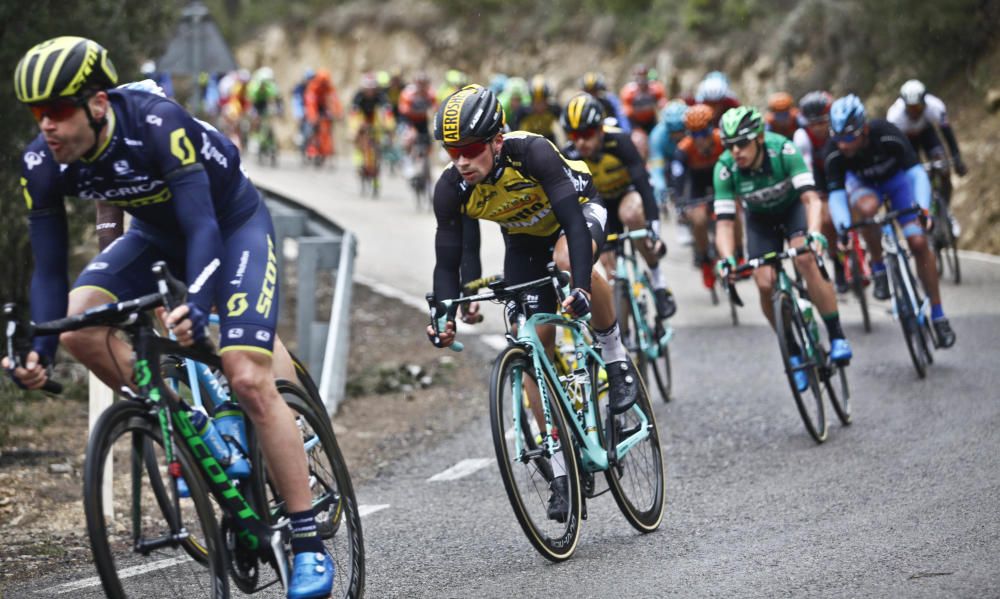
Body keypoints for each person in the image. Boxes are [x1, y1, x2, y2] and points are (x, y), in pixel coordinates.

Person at [6, 37, 333, 598]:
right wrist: (38, 348)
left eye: (58, 110)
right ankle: (187, 417)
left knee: (249, 378)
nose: (47, 127)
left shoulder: (157, 124)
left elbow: (203, 224)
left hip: (230, 227)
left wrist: (198, 305)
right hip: (156, 237)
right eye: (38, 115)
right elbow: (50, 269)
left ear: (99, 105)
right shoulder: (42, 162)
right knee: (80, 326)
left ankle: (306, 543)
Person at [427, 85, 640, 521]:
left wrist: (578, 287)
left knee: (566, 259)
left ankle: (615, 356)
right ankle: (561, 470)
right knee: (530, 345)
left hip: (579, 213)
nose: (461, 160)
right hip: (524, 239)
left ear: (496, 141)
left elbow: (573, 228)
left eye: (470, 148)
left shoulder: (534, 153)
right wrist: (445, 312)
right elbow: (450, 257)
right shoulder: (453, 188)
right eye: (453, 151)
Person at [713, 107, 852, 390]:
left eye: (742, 143)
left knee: (805, 258)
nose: (735, 151)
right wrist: (726, 259)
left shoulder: (783, 150)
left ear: (760, 138)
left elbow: (812, 200)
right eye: (729, 145)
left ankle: (837, 335)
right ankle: (792, 350)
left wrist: (814, 235)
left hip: (792, 211)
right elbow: (725, 224)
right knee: (763, 281)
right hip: (760, 221)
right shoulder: (725, 168)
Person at [825, 94, 956, 347]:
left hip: (898, 183)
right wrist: (843, 229)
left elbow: (917, 174)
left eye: (849, 137)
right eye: (838, 138)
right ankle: (878, 267)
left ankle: (938, 315)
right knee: (867, 210)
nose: (843, 145)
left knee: (918, 242)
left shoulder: (887, 133)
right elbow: (837, 195)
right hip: (863, 186)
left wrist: (924, 210)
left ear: (863, 128)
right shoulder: (834, 152)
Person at [561, 93, 676, 318]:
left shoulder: (620, 142)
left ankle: (658, 282)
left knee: (632, 215)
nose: (580, 142)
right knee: (608, 268)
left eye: (586, 134)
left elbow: (643, 184)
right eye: (574, 135)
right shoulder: (569, 154)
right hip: (601, 208)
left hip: (626, 195)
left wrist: (653, 225)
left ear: (600, 130)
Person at [886, 79, 967, 235]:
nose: (915, 111)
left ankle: (946, 211)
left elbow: (947, 134)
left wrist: (957, 158)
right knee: (914, 173)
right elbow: (894, 149)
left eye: (918, 107)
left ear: (925, 101)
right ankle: (923, 209)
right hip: (907, 142)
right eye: (910, 108)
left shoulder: (935, 106)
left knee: (943, 168)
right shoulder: (894, 116)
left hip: (927, 135)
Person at [793, 90, 845, 290]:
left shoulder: (838, 127)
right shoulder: (802, 137)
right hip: (818, 177)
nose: (817, 128)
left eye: (822, 122)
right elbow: (805, 169)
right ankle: (837, 261)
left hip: (841, 171)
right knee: (827, 220)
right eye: (812, 123)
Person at [671, 104, 727, 288]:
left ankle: (738, 252)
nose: (700, 140)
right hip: (697, 183)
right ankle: (704, 260)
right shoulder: (684, 149)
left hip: (720, 178)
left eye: (704, 133)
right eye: (694, 135)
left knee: (731, 214)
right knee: (699, 220)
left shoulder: (723, 140)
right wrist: (680, 202)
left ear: (712, 129)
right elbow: (678, 178)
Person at [619, 64, 667, 157]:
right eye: (639, 77)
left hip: (651, 120)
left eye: (644, 77)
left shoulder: (655, 88)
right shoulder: (629, 91)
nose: (642, 80)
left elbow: (663, 103)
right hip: (635, 122)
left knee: (655, 140)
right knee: (639, 142)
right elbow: (626, 112)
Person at [304, 69, 344, 162]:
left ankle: (327, 148)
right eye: (322, 82)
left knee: (328, 125)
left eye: (325, 82)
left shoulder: (329, 87)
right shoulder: (313, 87)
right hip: (315, 107)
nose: (324, 84)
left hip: (323, 107)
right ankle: (311, 147)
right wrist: (313, 116)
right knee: (313, 127)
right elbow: (311, 103)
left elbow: (335, 100)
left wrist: (338, 112)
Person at [516, 75, 561, 143]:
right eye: (536, 102)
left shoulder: (554, 110)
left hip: (548, 138)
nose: (540, 106)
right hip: (527, 139)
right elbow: (514, 129)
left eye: (542, 101)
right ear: (531, 101)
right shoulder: (523, 111)